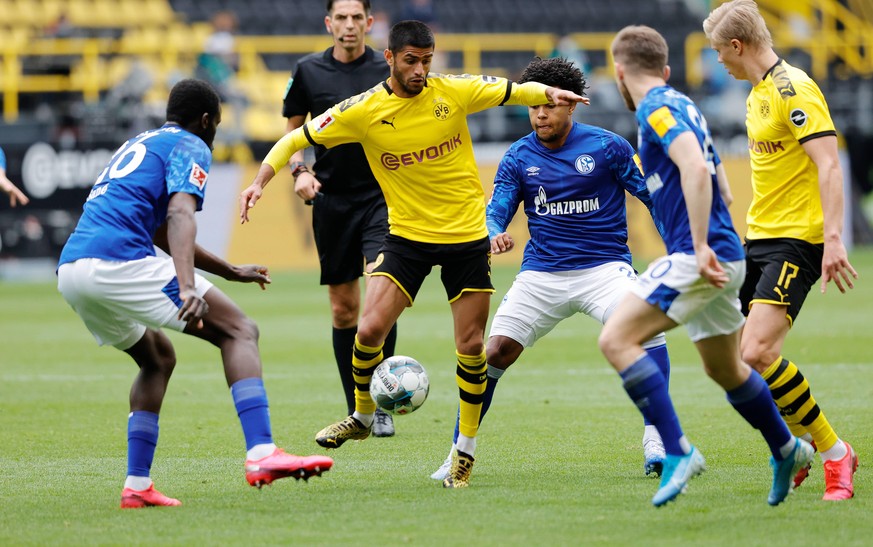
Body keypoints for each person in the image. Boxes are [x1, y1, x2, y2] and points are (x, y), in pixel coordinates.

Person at [239, 20, 587, 489]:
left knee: (469, 347)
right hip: (406, 237)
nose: (421, 70)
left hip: (465, 235)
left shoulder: (454, 91)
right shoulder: (362, 111)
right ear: (390, 58)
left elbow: (515, 91)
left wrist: (551, 95)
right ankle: (362, 416)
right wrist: (260, 182)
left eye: (427, 60)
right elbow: (294, 139)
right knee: (367, 329)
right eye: (411, 61)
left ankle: (465, 451)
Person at [57, 79, 333, 509]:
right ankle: (262, 453)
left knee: (157, 359)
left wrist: (229, 271)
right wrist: (186, 287)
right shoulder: (190, 144)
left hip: (73, 270)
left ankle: (137, 485)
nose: (214, 133)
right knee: (240, 330)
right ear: (206, 120)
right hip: (119, 262)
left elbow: (163, 232)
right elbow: (181, 214)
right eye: (216, 125)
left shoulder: (143, 141)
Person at [430, 56, 672, 481]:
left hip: (605, 270)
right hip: (542, 273)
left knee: (647, 329)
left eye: (550, 105)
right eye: (534, 105)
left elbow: (652, 197)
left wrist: (678, 243)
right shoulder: (518, 156)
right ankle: (457, 452)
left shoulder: (608, 146)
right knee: (493, 353)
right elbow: (497, 209)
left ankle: (656, 435)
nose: (540, 113)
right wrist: (493, 232)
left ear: (571, 104)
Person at [601, 25, 814, 507]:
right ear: (667, 69)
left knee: (616, 338)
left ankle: (677, 450)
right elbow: (718, 173)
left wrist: (697, 246)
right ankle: (787, 448)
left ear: (619, 72)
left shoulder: (655, 108)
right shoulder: (683, 102)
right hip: (728, 254)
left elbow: (696, 167)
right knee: (727, 370)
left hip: (700, 256)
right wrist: (716, 219)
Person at [703, 0, 859, 500]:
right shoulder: (756, 93)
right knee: (740, 361)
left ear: (736, 45)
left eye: (717, 52)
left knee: (757, 350)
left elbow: (829, 166)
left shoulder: (795, 90)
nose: (717, 62)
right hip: (760, 238)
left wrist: (833, 238)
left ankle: (836, 454)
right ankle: (799, 448)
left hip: (798, 240)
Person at [282, 0, 396, 438]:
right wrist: (300, 171)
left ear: (370, 22)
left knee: (380, 293)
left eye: (357, 18)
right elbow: (293, 135)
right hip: (331, 202)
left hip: (382, 197)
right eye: (341, 18)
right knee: (344, 309)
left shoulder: (386, 69)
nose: (349, 25)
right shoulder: (308, 71)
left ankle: (383, 402)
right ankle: (358, 408)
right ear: (329, 23)